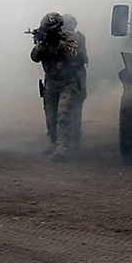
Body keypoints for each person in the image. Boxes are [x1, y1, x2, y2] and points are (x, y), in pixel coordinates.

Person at [30, 12, 79, 162]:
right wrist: (43, 44)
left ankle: (62, 148)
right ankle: (53, 143)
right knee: (50, 118)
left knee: (63, 115)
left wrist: (59, 43)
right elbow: (34, 57)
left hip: (67, 83)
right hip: (51, 83)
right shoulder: (43, 39)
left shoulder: (67, 38)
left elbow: (75, 55)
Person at [62, 13, 88, 149]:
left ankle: (72, 139)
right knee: (71, 111)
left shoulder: (77, 38)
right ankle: (69, 140)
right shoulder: (77, 37)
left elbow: (80, 58)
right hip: (67, 78)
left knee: (73, 110)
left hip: (75, 77)